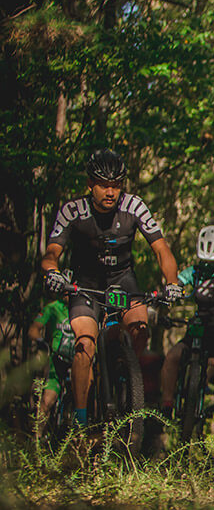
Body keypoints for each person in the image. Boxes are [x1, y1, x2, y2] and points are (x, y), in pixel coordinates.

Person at [41, 149, 182, 428]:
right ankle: (80, 424)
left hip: (123, 280)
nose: (111, 191)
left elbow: (161, 249)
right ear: (90, 185)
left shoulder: (135, 206)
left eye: (116, 185)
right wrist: (52, 272)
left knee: (140, 328)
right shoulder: (72, 210)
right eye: (104, 185)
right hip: (85, 285)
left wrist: (173, 283)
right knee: (84, 346)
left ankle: (126, 379)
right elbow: (51, 253)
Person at [159, 225, 214, 435]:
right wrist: (167, 297)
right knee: (172, 358)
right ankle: (167, 405)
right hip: (199, 330)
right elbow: (179, 283)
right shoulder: (194, 271)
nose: (207, 265)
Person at [29, 298, 76, 434]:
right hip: (57, 361)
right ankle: (36, 442)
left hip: (78, 362)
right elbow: (34, 329)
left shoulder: (85, 307)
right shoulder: (53, 307)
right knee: (48, 400)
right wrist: (41, 342)